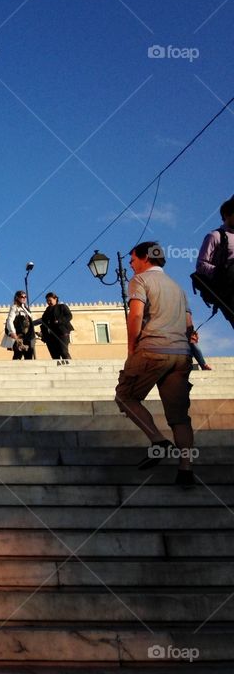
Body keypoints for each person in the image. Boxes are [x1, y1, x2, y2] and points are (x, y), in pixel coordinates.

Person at [114, 242, 197, 487]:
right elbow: (189, 323)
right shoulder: (178, 288)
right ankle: (186, 469)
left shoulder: (140, 281)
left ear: (144, 258)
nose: (130, 264)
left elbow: (136, 315)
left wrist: (131, 348)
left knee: (124, 396)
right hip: (181, 354)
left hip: (152, 350)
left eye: (132, 259)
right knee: (180, 417)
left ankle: (158, 441)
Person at [194, 195, 234, 328]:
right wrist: (219, 272)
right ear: (227, 214)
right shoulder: (216, 236)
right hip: (228, 292)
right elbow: (201, 264)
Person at [40, 292, 73, 360]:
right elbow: (43, 322)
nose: (48, 302)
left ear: (55, 299)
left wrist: (59, 321)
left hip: (62, 333)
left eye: (50, 300)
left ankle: (69, 366)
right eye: (47, 301)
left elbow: (69, 316)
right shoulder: (47, 310)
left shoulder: (62, 306)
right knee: (54, 354)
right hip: (51, 335)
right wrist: (42, 333)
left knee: (63, 351)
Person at [5, 291, 35, 360]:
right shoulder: (14, 307)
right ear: (17, 298)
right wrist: (13, 332)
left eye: (25, 297)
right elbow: (10, 320)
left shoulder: (26, 309)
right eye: (22, 297)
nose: (24, 298)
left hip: (28, 336)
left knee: (29, 355)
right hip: (19, 335)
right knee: (18, 354)